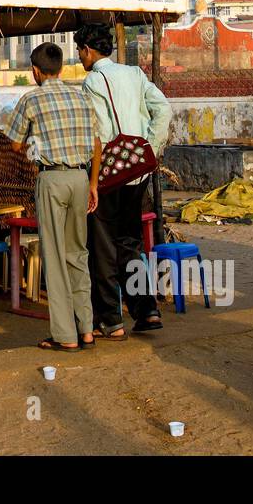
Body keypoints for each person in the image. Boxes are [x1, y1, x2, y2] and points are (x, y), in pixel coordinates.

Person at [75, 22, 172, 340]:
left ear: (88, 50)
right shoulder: (135, 74)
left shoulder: (92, 81)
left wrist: (93, 175)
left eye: (79, 51)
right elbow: (164, 110)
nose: (79, 57)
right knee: (131, 243)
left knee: (102, 247)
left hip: (107, 175)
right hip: (138, 171)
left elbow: (97, 133)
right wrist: (150, 149)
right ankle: (147, 311)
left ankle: (111, 320)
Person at [7, 42, 103, 352]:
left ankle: (65, 335)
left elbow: (15, 146)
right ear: (61, 69)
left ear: (35, 71)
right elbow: (97, 144)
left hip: (51, 178)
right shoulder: (81, 96)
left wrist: (38, 143)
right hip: (80, 177)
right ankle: (87, 329)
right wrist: (92, 185)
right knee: (77, 254)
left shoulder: (31, 98)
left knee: (55, 257)